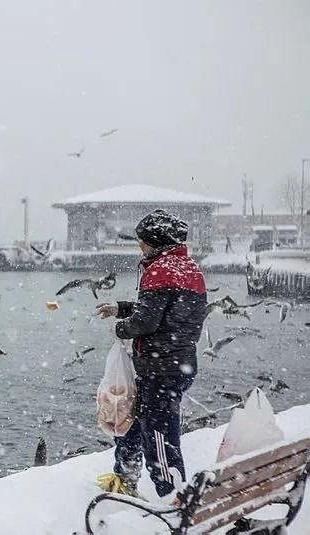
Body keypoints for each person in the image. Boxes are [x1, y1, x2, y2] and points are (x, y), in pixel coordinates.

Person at [95, 209, 207, 499]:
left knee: (160, 437)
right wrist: (121, 307)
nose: (139, 246)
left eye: (142, 241)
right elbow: (165, 312)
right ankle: (125, 476)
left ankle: (171, 495)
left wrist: (120, 329)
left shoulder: (160, 271)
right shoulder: (187, 268)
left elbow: (147, 321)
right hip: (178, 363)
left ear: (155, 241)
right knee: (139, 420)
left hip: (161, 369)